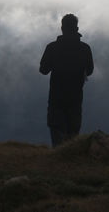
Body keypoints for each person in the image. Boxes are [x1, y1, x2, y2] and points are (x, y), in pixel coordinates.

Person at [39, 14, 94, 147]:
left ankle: (58, 161)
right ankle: (71, 160)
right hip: (75, 97)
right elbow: (90, 70)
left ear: (62, 28)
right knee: (73, 132)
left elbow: (43, 70)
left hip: (56, 97)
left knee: (57, 131)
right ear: (76, 28)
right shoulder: (85, 48)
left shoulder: (52, 47)